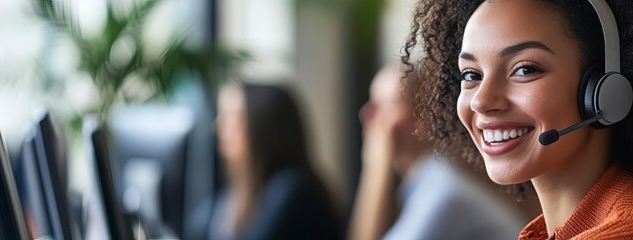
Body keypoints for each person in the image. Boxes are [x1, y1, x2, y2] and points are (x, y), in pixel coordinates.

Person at [401, 0, 633, 239]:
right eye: (471, 75)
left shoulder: (631, 234)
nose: (483, 100)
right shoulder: (563, 230)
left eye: (525, 69)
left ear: (605, 93)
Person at [349, 63, 525, 240]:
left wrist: (376, 168)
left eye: (386, 104)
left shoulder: (442, 191)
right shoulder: (427, 180)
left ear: (425, 117)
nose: (367, 113)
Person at [191, 82, 342, 240]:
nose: (219, 126)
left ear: (264, 125)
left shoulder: (293, 191)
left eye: (233, 117)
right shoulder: (233, 197)